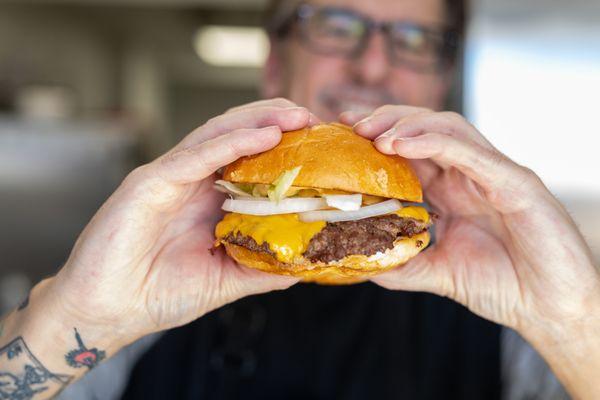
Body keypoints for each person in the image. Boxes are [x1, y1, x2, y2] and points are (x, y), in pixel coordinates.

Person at [1, 0, 599, 399]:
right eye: (337, 27)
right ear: (272, 66)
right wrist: (77, 320)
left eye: (414, 39)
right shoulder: (158, 260)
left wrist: (573, 319)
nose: (372, 63)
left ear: (441, 79)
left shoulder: (502, 286)